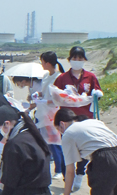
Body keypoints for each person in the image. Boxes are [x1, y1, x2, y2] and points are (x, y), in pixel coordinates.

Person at [54, 46, 103, 191]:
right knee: (68, 147)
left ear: (84, 60)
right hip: (67, 117)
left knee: (83, 147)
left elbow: (97, 91)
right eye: (74, 58)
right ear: (70, 60)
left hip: (84, 117)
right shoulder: (62, 78)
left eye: (80, 58)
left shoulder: (90, 76)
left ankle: (80, 173)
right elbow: (56, 95)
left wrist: (97, 94)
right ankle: (67, 175)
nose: (77, 61)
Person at [35, 51, 66, 179]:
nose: (41, 64)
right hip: (43, 112)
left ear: (47, 63)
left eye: (42, 61)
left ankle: (59, 169)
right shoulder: (47, 76)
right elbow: (44, 92)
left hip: (54, 112)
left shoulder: (59, 77)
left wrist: (45, 101)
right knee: (46, 141)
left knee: (55, 142)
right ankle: (47, 167)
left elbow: (60, 98)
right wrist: (38, 95)